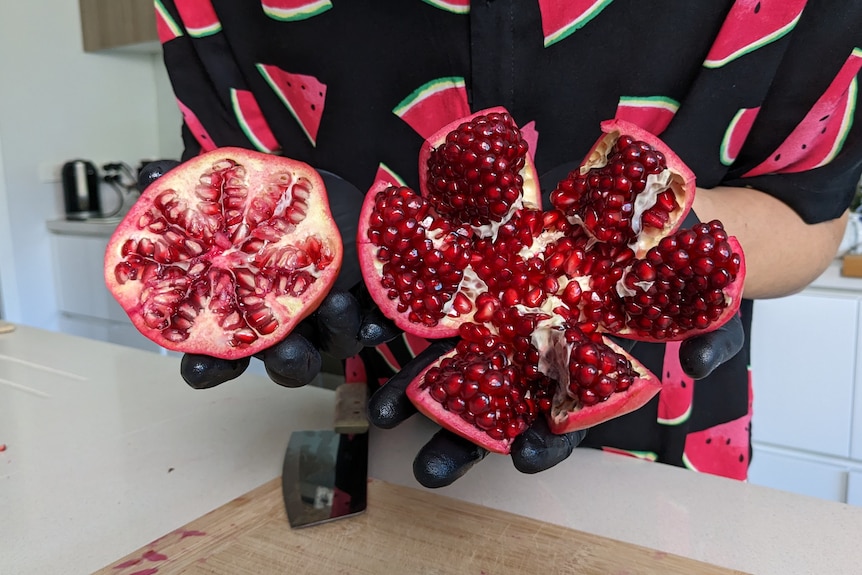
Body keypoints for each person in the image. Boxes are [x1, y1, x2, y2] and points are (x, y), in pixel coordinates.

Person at [149, 0, 860, 487]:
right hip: (344, 392)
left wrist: (662, 219)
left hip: (664, 426)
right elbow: (219, 187)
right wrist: (282, 242)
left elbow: (811, 211)